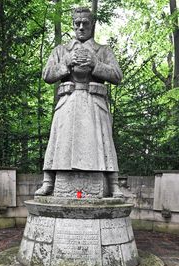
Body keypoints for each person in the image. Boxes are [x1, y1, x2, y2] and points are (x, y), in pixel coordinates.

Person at [35, 7, 123, 198]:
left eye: (85, 23)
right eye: (77, 23)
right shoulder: (60, 51)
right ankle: (48, 182)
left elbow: (117, 75)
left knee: (105, 143)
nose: (81, 27)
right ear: (73, 25)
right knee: (58, 142)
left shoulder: (103, 51)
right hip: (68, 103)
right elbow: (47, 75)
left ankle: (113, 184)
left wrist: (95, 64)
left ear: (92, 25)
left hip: (94, 104)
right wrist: (66, 62)